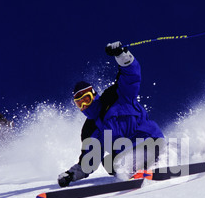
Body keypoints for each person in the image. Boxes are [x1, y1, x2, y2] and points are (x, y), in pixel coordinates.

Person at [58, 41, 165, 187]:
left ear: (94, 95)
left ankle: (166, 159)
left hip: (149, 141)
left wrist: (121, 55)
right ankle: (134, 170)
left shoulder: (117, 96)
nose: (85, 105)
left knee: (145, 149)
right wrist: (71, 175)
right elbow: (88, 161)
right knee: (109, 162)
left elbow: (131, 77)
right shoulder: (91, 130)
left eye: (87, 99)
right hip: (127, 156)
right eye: (79, 103)